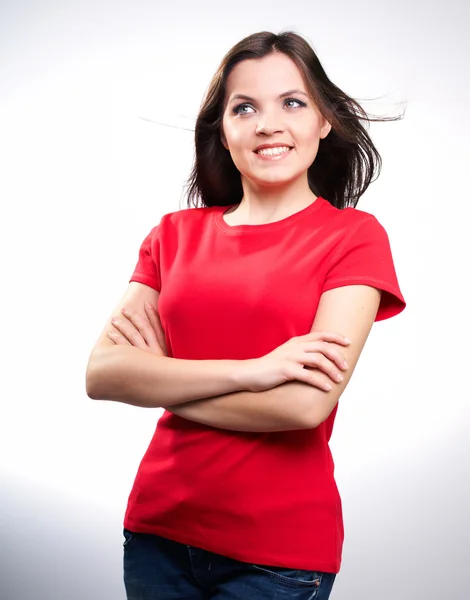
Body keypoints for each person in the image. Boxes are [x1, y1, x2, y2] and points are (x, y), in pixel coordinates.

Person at [86, 30, 406, 600]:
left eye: (292, 102)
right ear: (224, 130)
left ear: (324, 121)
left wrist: (159, 379)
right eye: (244, 107)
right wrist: (254, 370)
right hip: (158, 532)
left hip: (277, 555)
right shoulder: (173, 236)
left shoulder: (353, 238)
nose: (268, 124)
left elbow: (304, 404)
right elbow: (103, 375)